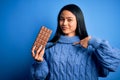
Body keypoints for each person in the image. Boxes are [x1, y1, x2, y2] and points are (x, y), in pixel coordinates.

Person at [31, 4, 120, 80]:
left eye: (69, 20)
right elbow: (39, 77)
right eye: (61, 19)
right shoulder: (48, 47)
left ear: (78, 21)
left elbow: (112, 65)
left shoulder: (92, 47)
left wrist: (93, 41)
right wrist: (39, 62)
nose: (64, 23)